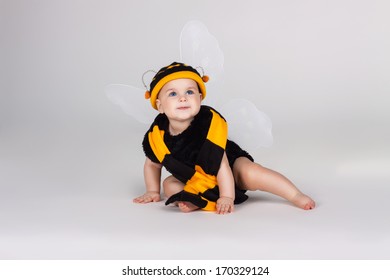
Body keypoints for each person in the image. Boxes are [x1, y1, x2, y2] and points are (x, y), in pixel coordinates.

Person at [133, 62, 315, 214]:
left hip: (231, 167)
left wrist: (227, 196)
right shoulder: (157, 136)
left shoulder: (208, 125)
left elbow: (221, 165)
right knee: (170, 185)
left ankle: (294, 194)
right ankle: (197, 200)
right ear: (160, 105)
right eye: (173, 94)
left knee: (251, 173)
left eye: (189, 92)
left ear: (200, 97)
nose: (182, 98)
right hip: (197, 178)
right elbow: (152, 165)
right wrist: (152, 190)